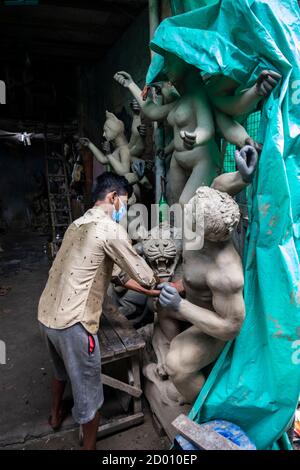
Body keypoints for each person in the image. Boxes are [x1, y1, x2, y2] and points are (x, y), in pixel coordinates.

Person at [38, 172, 158, 450]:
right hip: (74, 323)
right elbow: (143, 273)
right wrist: (158, 285)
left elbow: (117, 274)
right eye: (125, 204)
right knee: (90, 396)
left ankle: (55, 416)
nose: (125, 211)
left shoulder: (76, 225)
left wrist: (147, 292)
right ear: (114, 198)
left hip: (47, 315)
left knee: (60, 371)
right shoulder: (110, 229)